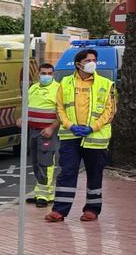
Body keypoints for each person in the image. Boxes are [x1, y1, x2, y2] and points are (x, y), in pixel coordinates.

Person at [47, 48, 117, 222]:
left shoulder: (105, 83)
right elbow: (59, 107)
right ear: (78, 64)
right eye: (88, 60)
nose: (92, 63)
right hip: (70, 137)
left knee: (94, 174)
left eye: (94, 59)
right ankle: (59, 211)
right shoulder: (65, 83)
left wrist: (92, 128)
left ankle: (92, 210)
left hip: (95, 138)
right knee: (67, 172)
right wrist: (70, 125)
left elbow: (110, 111)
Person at [18, 63, 59, 208]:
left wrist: (52, 128)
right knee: (35, 162)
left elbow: (63, 114)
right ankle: (40, 192)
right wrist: (23, 118)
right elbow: (28, 108)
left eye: (49, 73)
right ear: (38, 74)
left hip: (47, 132)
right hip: (34, 130)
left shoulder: (58, 89)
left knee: (46, 163)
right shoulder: (33, 88)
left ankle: (44, 195)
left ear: (53, 75)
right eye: (43, 73)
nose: (46, 76)